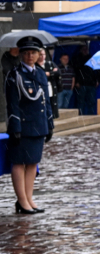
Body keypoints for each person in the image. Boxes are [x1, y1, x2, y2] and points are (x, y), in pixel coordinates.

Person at [4, 36, 53, 214]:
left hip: (38, 125)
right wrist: (15, 127)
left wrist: (49, 124)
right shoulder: (15, 74)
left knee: (33, 163)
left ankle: (29, 198)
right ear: (21, 54)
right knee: (19, 162)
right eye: (26, 53)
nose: (30, 56)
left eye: (33, 52)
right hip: (23, 126)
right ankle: (22, 201)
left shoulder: (39, 73)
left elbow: (46, 100)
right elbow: (12, 103)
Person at [72, 44, 99, 115]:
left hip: (91, 84)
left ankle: (91, 118)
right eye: (83, 49)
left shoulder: (92, 58)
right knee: (80, 102)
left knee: (91, 102)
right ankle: (81, 118)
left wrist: (98, 80)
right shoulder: (76, 59)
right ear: (80, 50)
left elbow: (98, 70)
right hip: (81, 84)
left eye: (86, 49)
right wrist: (76, 81)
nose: (85, 51)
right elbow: (74, 71)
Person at [36, 49, 59, 119]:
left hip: (50, 87)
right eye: (40, 54)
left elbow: (58, 72)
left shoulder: (49, 63)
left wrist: (50, 73)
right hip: (40, 88)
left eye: (44, 54)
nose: (42, 56)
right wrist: (47, 73)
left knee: (51, 104)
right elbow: (40, 75)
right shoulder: (35, 65)